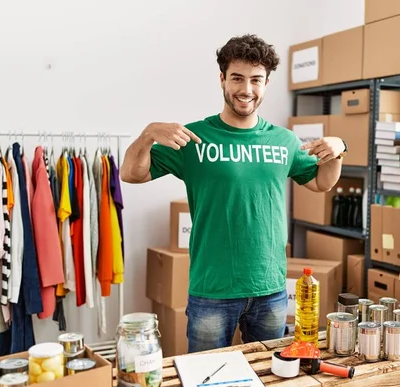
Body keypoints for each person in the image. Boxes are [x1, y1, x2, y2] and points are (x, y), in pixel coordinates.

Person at [120, 34, 347, 353]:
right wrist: (147, 135)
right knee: (208, 381)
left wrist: (338, 150)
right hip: (212, 290)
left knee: (271, 379)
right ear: (222, 79)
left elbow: (321, 183)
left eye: (256, 80)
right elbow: (130, 173)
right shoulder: (193, 137)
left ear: (267, 83)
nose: (246, 89)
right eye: (237, 78)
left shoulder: (284, 141)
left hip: (270, 289)